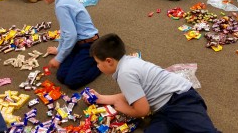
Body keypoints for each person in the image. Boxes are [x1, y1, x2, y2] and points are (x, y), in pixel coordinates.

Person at [89, 33, 219, 132]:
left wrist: (126, 109)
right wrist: (102, 98)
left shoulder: (124, 74)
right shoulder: (127, 62)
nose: (97, 67)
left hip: (180, 100)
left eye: (98, 63)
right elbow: (135, 95)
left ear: (109, 61)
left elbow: (142, 110)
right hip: (162, 110)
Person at [35, 0, 101, 90]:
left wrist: (59, 57)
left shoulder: (62, 6)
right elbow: (66, 32)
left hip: (89, 44)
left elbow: (71, 35)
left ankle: (100, 63)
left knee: (72, 81)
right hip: (78, 43)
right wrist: (59, 50)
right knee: (61, 76)